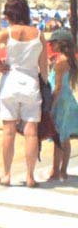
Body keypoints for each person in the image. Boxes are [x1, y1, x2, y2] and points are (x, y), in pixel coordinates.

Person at [0, 0, 47, 188]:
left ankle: (7, 175)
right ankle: (30, 176)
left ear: (9, 15)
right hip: (31, 83)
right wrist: (45, 84)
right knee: (31, 132)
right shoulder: (39, 35)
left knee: (8, 131)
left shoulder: (7, 33)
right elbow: (43, 67)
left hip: (10, 83)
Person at [47, 29, 77, 180]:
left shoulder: (60, 62)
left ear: (61, 44)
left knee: (58, 138)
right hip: (68, 99)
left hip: (60, 101)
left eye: (53, 42)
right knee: (65, 138)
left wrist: (51, 107)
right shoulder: (70, 60)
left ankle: (55, 171)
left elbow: (57, 87)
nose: (51, 45)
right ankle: (63, 170)